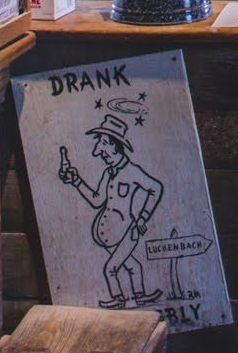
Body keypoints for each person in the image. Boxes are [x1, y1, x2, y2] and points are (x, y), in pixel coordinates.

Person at [57, 99, 165, 309]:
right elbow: (97, 200)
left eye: (103, 146)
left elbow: (156, 188)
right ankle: (140, 295)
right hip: (111, 235)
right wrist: (76, 180)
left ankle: (123, 300)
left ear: (115, 145)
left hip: (127, 231)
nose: (99, 152)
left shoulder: (132, 171)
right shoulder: (109, 172)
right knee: (131, 265)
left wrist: (142, 218)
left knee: (111, 269)